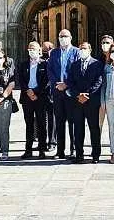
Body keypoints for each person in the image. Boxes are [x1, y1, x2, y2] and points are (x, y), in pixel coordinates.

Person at [67, 41, 104, 164]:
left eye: (85, 48)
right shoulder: (74, 65)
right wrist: (78, 95)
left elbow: (99, 81)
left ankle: (95, 155)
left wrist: (87, 94)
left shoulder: (97, 64)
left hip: (91, 101)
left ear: (90, 50)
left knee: (94, 128)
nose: (82, 50)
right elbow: (70, 82)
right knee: (78, 129)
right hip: (77, 102)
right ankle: (79, 155)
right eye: (81, 49)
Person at [47, 29, 79, 159]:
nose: (63, 38)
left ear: (70, 37)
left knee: (73, 122)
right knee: (59, 121)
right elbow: (50, 70)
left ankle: (73, 149)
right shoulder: (54, 53)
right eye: (60, 36)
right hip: (57, 92)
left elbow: (77, 71)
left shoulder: (76, 52)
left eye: (65, 36)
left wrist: (66, 84)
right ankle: (60, 151)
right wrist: (57, 84)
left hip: (71, 92)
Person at [18, 41, 49, 159]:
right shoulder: (23, 64)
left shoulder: (44, 64)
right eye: (29, 49)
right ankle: (28, 150)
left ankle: (42, 149)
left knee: (41, 124)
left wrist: (36, 92)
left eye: (34, 49)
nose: (31, 51)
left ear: (39, 50)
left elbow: (46, 81)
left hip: (40, 98)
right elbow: (21, 80)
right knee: (29, 124)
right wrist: (28, 91)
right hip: (27, 97)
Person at [41, 40, 56, 151]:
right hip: (41, 94)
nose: (46, 51)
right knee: (42, 119)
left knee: (52, 118)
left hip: (52, 93)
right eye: (44, 50)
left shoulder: (55, 60)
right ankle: (42, 141)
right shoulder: (40, 61)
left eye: (48, 49)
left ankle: (52, 142)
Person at [98, 35, 114, 130]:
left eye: (107, 43)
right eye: (103, 43)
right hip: (100, 94)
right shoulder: (97, 59)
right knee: (98, 124)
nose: (105, 44)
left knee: (113, 124)